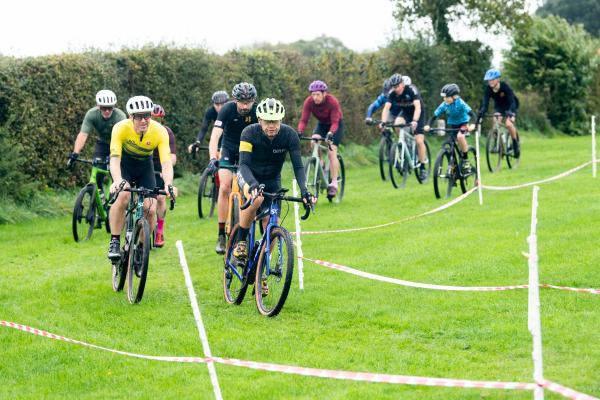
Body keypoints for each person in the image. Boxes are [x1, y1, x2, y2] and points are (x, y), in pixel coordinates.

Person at [233, 98, 315, 275]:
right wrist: (253, 185)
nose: (272, 126)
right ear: (259, 120)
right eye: (268, 121)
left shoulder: (289, 135)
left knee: (271, 223)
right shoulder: (248, 133)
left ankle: (259, 271)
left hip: (272, 180)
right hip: (248, 176)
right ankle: (240, 242)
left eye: (275, 121)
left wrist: (305, 191)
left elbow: (298, 167)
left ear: (281, 120)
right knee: (257, 198)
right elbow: (244, 165)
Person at [107, 95, 175, 261]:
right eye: (139, 117)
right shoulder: (120, 128)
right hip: (125, 165)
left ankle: (141, 249)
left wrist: (168, 184)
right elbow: (115, 159)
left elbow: (166, 163)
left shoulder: (159, 131)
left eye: (147, 116)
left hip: (145, 166)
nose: (144, 120)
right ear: (131, 117)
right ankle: (115, 241)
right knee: (123, 196)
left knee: (150, 209)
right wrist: (117, 180)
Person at [208, 82, 258, 254]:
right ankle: (221, 233)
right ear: (235, 100)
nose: (245, 106)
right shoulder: (227, 109)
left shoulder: (257, 111)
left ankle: (250, 225)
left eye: (248, 102)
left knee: (253, 188)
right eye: (241, 102)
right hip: (228, 149)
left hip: (249, 150)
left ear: (253, 101)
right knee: (224, 187)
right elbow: (215, 135)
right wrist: (212, 157)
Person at [68, 89, 127, 193]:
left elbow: (125, 138)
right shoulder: (92, 114)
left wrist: (115, 154)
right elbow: (83, 134)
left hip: (119, 145)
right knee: (97, 170)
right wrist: (75, 153)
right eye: (104, 108)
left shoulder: (120, 116)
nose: (107, 111)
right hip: (103, 144)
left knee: (117, 173)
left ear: (114, 107)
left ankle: (116, 197)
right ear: (98, 106)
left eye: (110, 108)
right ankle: (99, 194)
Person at [297, 80, 344, 199]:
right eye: (313, 94)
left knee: (331, 151)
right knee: (314, 141)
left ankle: (333, 183)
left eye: (318, 94)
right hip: (322, 124)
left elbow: (334, 122)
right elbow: (304, 120)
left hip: (335, 125)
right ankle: (320, 162)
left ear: (324, 93)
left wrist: (331, 133)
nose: (315, 97)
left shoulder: (332, 102)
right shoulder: (309, 102)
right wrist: (299, 131)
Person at [380, 73, 428, 180]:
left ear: (402, 84)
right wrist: (383, 122)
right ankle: (403, 143)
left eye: (398, 86)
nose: (396, 89)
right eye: (394, 87)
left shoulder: (411, 89)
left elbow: (417, 106)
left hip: (418, 113)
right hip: (406, 113)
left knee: (419, 141)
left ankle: (423, 168)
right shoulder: (392, 93)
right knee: (397, 123)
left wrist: (415, 121)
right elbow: (386, 108)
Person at [424, 83, 477, 174]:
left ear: (454, 96)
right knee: (448, 143)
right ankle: (452, 166)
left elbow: (471, 113)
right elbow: (434, 116)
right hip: (453, 125)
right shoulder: (444, 104)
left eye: (446, 97)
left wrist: (474, 124)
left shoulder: (460, 103)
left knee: (460, 137)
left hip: (463, 123)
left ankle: (465, 161)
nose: (444, 99)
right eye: (443, 97)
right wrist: (428, 125)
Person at [150, 104, 177, 247]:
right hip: (144, 163)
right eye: (153, 118)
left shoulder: (167, 132)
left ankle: (159, 231)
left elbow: (172, 157)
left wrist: (165, 170)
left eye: (158, 119)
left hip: (160, 164)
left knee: (160, 198)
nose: (155, 122)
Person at [478, 68, 520, 158]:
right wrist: (482, 111)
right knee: (495, 120)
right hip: (500, 107)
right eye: (489, 80)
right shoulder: (488, 89)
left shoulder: (505, 86)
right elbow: (485, 103)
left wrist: (511, 113)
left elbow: (512, 101)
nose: (490, 82)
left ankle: (515, 144)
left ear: (498, 79)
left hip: (511, 105)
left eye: (492, 80)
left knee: (508, 124)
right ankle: (497, 143)